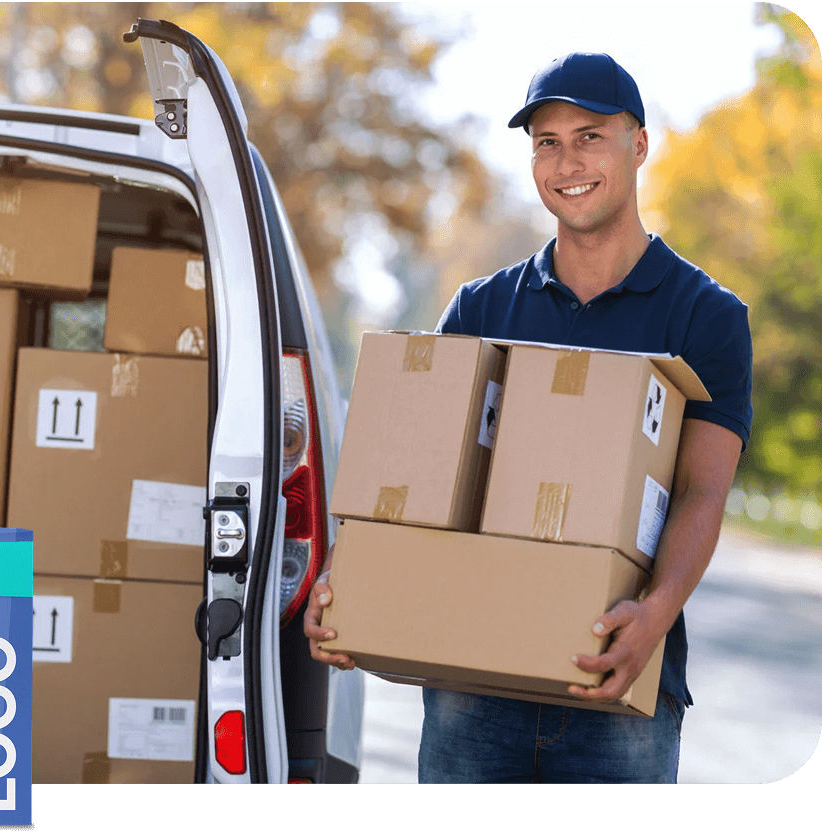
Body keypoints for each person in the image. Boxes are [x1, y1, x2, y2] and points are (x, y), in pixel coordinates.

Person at [304, 52, 753, 783]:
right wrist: (353, 588)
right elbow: (412, 483)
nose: (566, 161)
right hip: (471, 694)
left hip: (618, 682)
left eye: (589, 137)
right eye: (547, 142)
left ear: (638, 146)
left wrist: (658, 614)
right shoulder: (480, 310)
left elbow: (704, 490)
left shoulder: (706, 316)